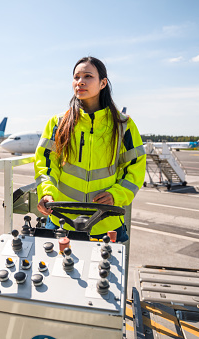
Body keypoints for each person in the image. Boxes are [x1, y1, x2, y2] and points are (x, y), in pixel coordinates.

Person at [34, 56, 146, 242]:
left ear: (103, 83)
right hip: (62, 219)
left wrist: (116, 195)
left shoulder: (123, 125)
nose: (80, 82)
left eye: (88, 76)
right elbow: (46, 164)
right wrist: (46, 192)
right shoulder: (58, 123)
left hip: (106, 222)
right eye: (76, 77)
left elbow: (135, 166)